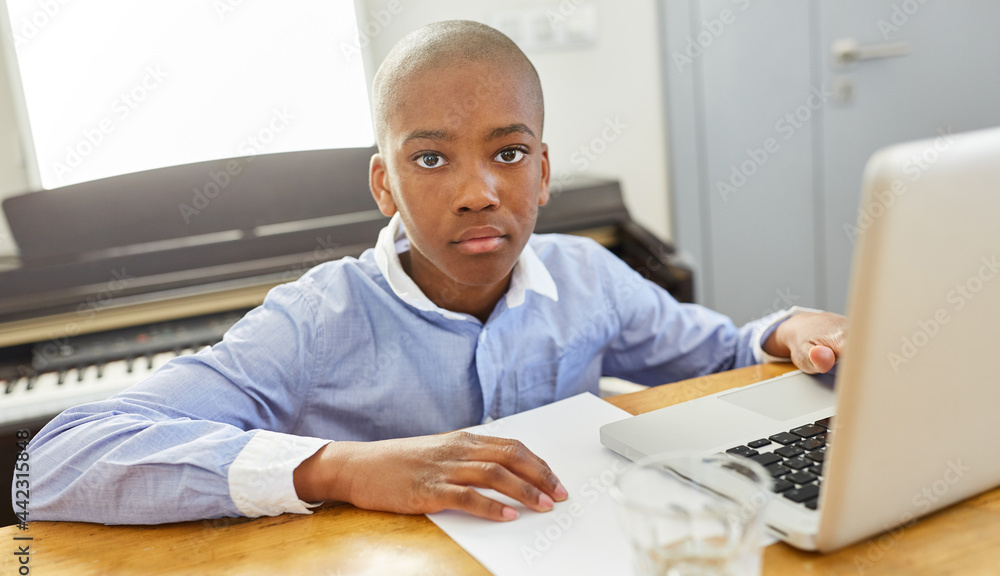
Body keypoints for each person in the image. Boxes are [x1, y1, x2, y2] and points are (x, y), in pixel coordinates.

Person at [19, 20, 845, 525]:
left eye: (509, 153)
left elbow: (722, 351)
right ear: (385, 184)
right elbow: (56, 462)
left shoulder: (591, 276)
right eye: (431, 158)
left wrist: (786, 329)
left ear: (545, 171)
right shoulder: (316, 320)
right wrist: (342, 468)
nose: (479, 192)